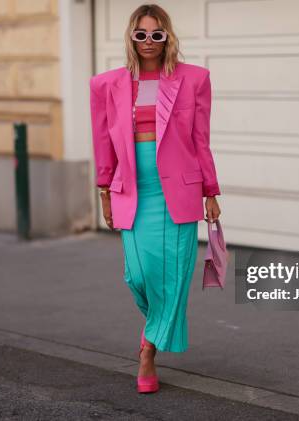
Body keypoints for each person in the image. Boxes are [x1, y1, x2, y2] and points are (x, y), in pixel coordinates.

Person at [89, 3, 222, 394]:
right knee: (138, 275)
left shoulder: (194, 79)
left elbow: (200, 139)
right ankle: (156, 329)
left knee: (173, 276)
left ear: (168, 38)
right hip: (132, 189)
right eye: (141, 34)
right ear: (131, 37)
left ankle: (148, 349)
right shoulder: (106, 85)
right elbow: (103, 142)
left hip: (178, 190)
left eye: (157, 35)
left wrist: (211, 191)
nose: (149, 42)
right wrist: (104, 191)